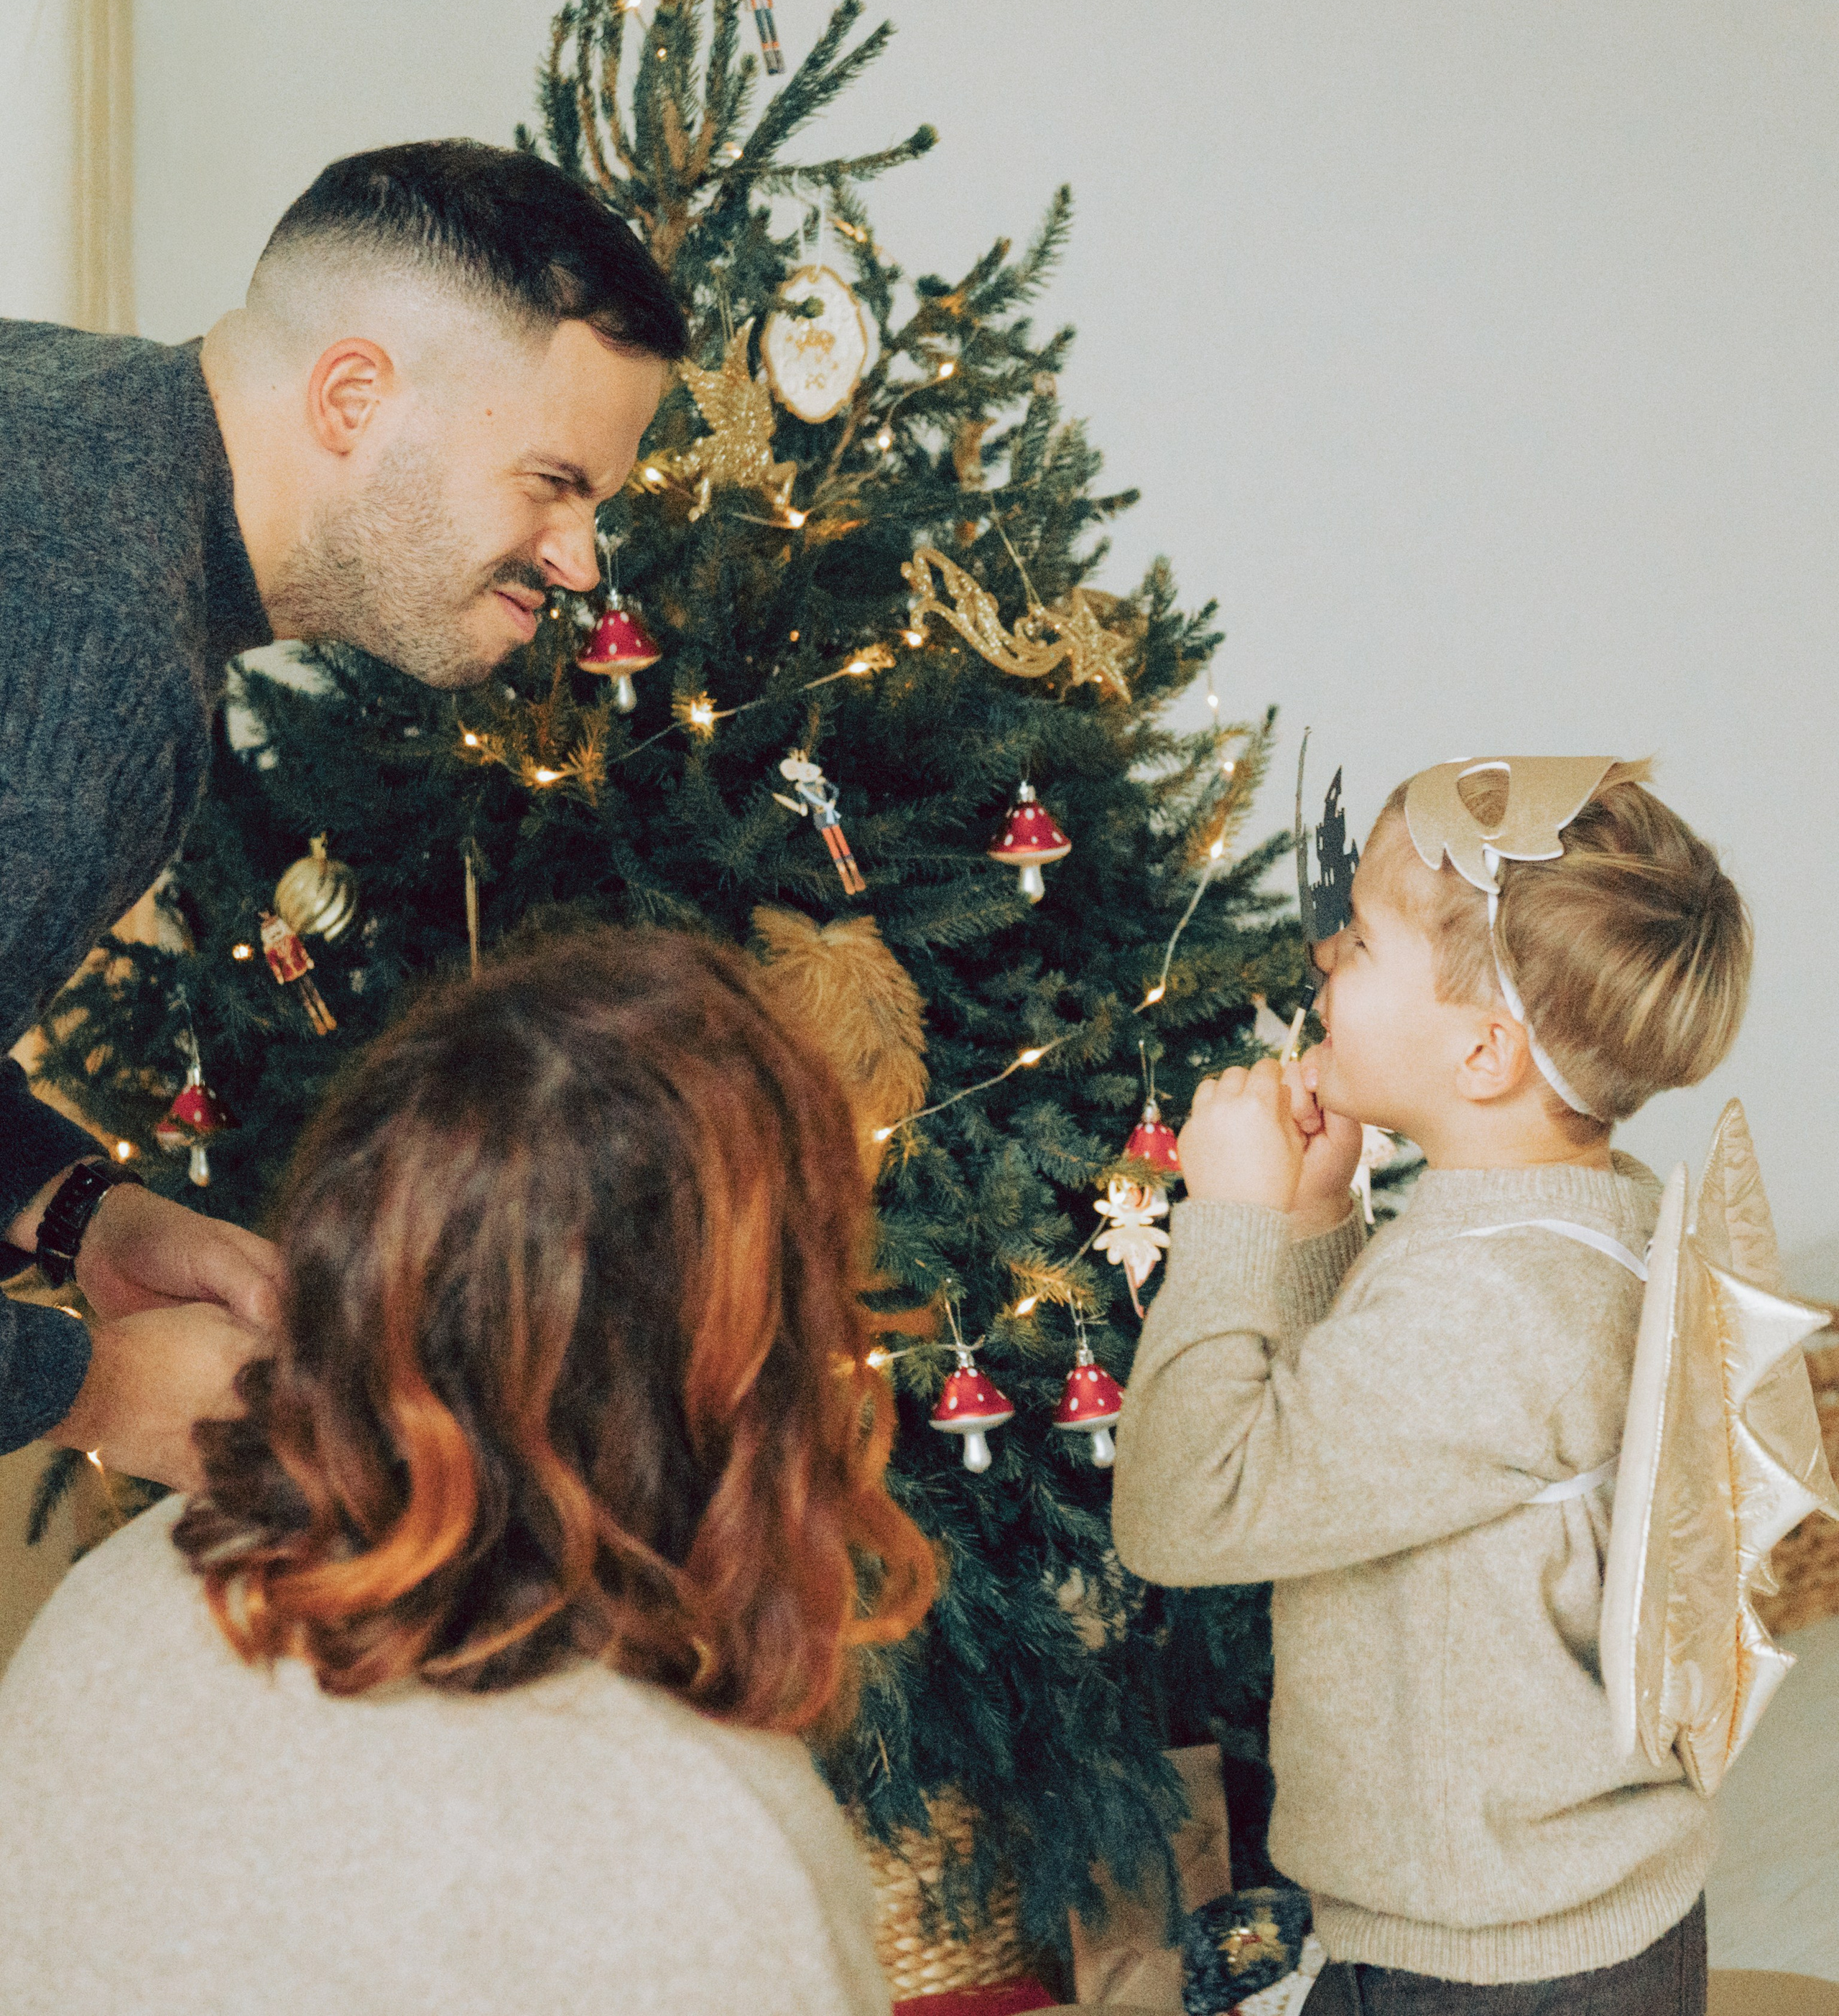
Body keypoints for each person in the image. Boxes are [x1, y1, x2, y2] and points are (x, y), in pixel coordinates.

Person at [0, 927, 937, 2014]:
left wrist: (80, 1224)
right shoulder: (712, 1846)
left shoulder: (106, 1609)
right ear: (759, 1362)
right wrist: (92, 1379)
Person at [0, 139, 686, 1487]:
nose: (580, 561)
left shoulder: (58, 411)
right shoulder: (100, 644)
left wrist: (79, 1210)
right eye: (554, 482)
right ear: (354, 397)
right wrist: (101, 1388)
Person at [1113, 757, 1752, 2015]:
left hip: (1494, 1971)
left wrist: (1230, 1220)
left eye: (1358, 940)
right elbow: (1359, 1456)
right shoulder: (1566, 1224)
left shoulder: (1483, 1298)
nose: (1323, 960)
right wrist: (1319, 1226)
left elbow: (1187, 1510)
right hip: (1559, 1929)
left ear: (1484, 1051)